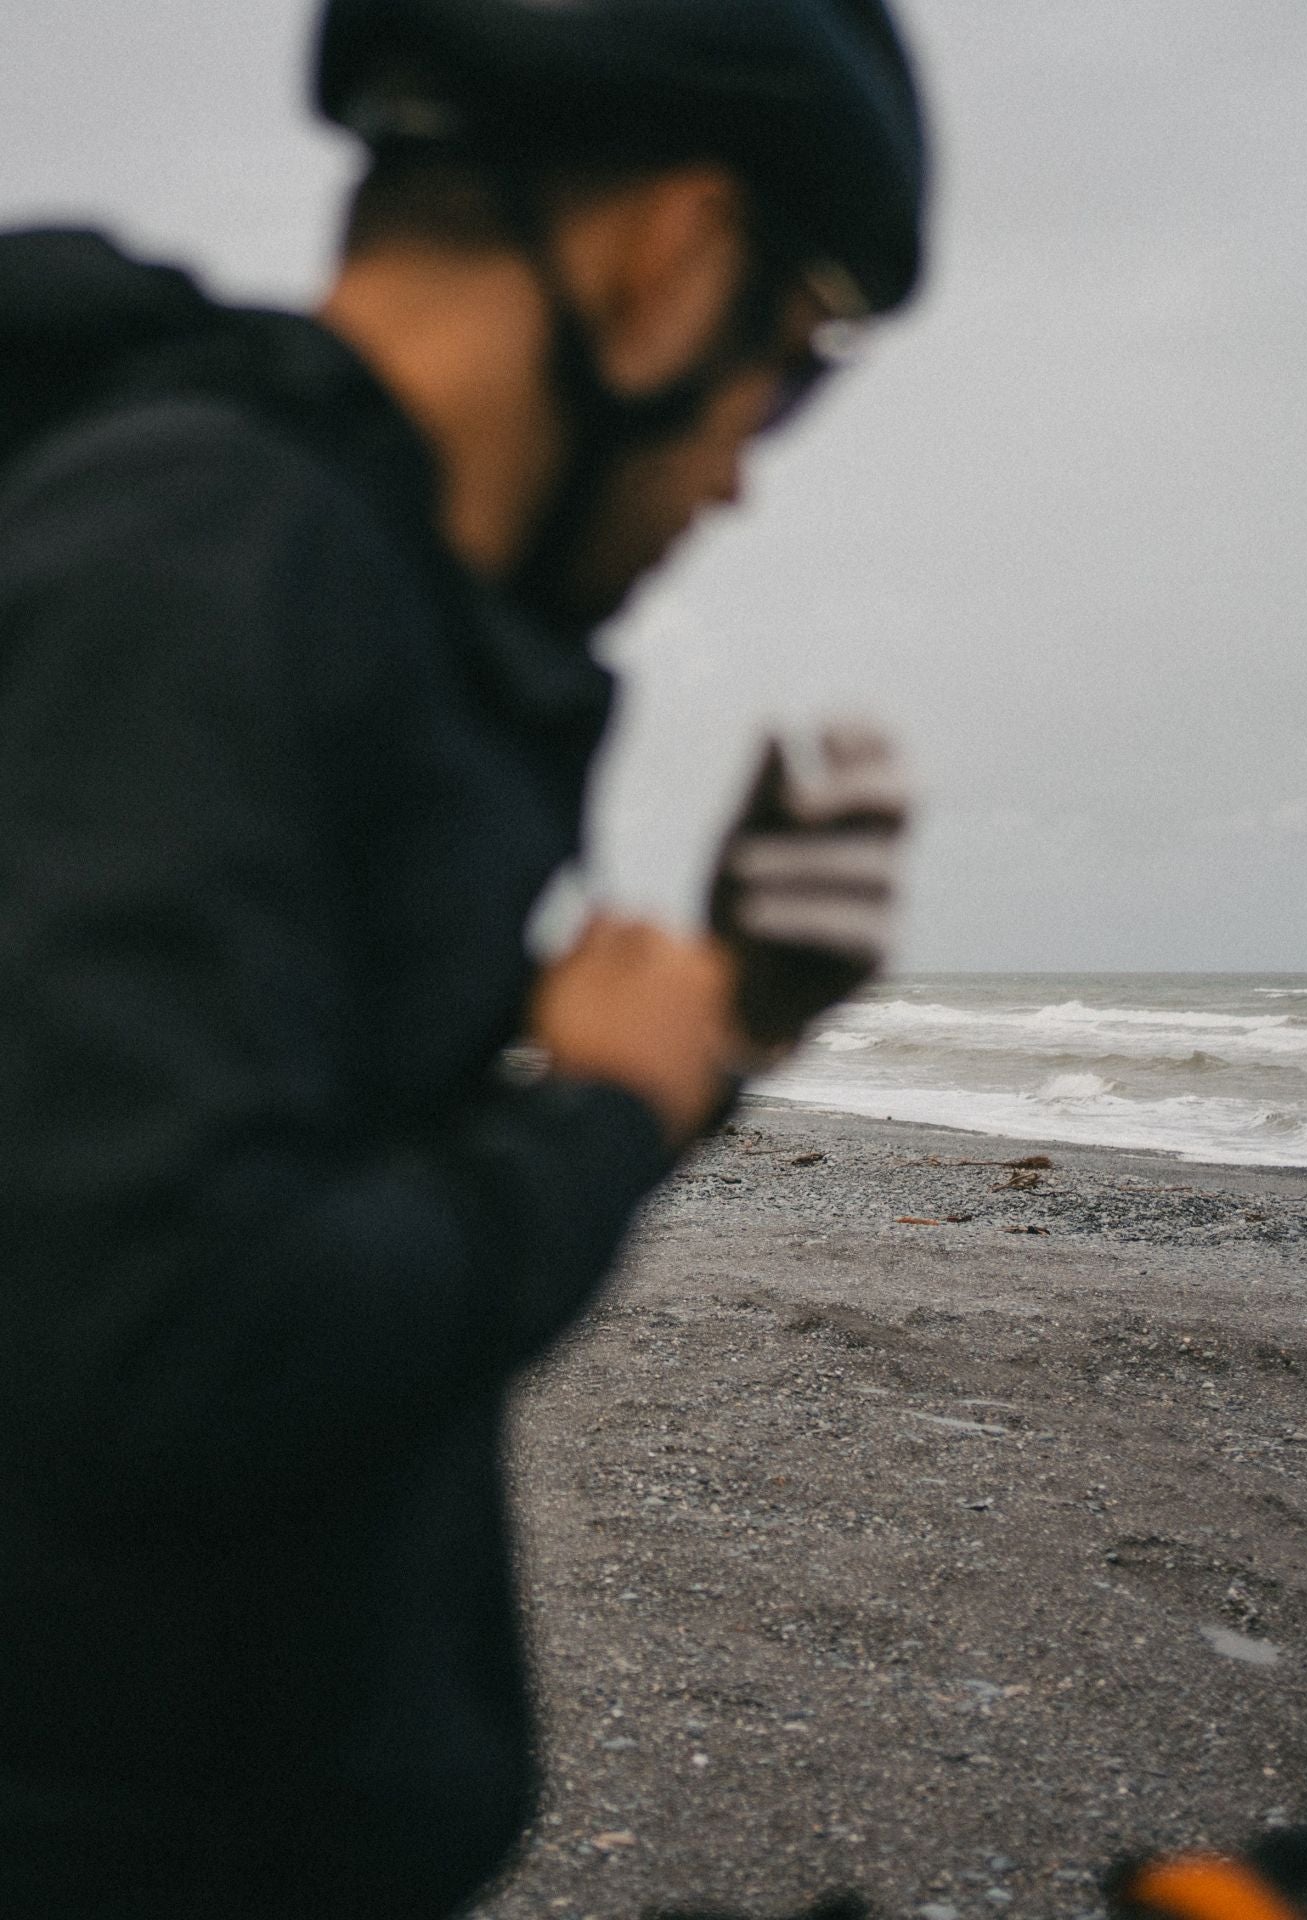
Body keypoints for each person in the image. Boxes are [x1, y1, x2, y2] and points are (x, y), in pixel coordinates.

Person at [0, 3, 926, 1917]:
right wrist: (612, 1100)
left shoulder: (324, 580)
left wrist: (725, 1034)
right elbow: (168, 1345)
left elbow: (285, 1169)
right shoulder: (207, 560)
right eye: (796, 357)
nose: (746, 469)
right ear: (667, 260)